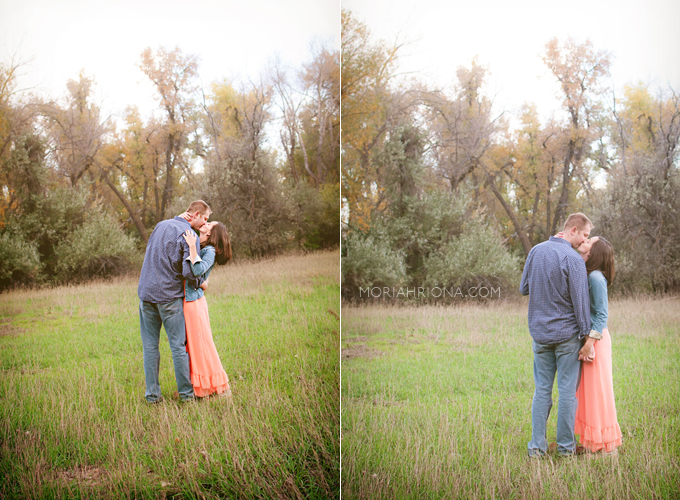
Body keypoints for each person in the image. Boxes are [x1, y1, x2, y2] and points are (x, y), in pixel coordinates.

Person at [520, 213, 598, 458]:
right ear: (572, 230)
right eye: (584, 235)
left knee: (542, 390)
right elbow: (581, 305)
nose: (584, 241)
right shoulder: (573, 259)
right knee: (566, 393)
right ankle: (565, 449)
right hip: (567, 337)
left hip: (540, 335)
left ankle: (537, 449)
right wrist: (587, 339)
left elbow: (524, 288)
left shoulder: (535, 251)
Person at [137, 200, 211, 404]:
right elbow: (189, 272)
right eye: (204, 219)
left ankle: (152, 396)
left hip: (146, 294)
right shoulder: (190, 236)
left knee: (150, 346)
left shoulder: (160, 226)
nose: (204, 224)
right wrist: (201, 282)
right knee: (178, 346)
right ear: (195, 214)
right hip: (169, 297)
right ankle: (186, 396)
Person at [573, 236, 623, 454]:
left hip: (597, 341)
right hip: (591, 340)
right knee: (589, 392)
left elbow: (601, 315)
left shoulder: (595, 277)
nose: (586, 244)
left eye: (590, 244)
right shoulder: (589, 274)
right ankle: (590, 441)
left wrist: (589, 344)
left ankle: (604, 444)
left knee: (598, 391)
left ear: (595, 253)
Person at [182, 221, 233, 398]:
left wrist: (191, 247)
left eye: (209, 223)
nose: (205, 222)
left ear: (211, 233)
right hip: (190, 302)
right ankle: (200, 387)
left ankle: (218, 386)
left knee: (201, 345)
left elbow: (196, 271)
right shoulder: (204, 247)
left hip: (194, 304)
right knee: (194, 346)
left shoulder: (210, 251)